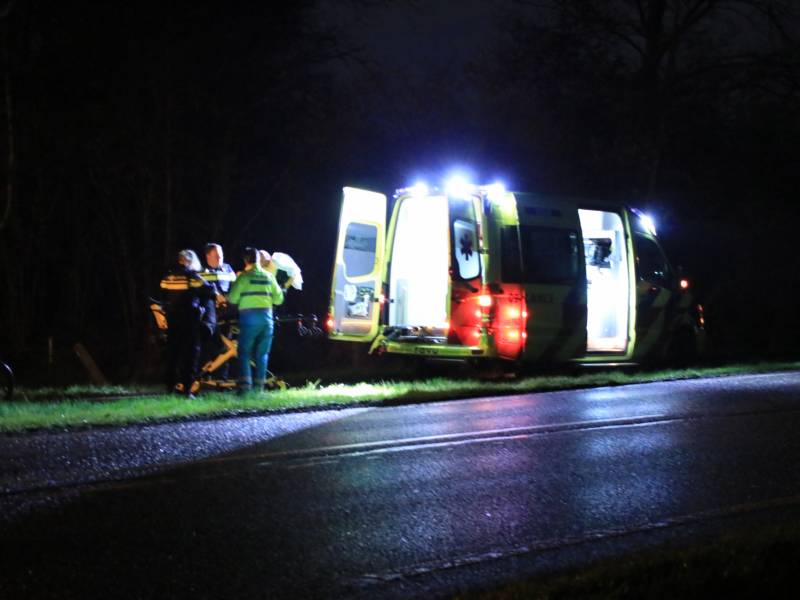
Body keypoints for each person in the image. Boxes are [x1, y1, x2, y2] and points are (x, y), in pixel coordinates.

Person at [228, 247, 288, 394]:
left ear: (246, 260)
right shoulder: (269, 277)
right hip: (267, 320)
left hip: (249, 319)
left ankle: (245, 388)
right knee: (262, 354)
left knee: (244, 353)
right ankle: (259, 389)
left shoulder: (243, 277)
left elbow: (232, 298)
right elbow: (279, 300)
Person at [160, 249, 215, 397]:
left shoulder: (168, 277)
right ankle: (186, 390)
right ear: (190, 262)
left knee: (172, 355)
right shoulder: (193, 277)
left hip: (172, 321)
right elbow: (209, 289)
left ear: (179, 260)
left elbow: (163, 295)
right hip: (190, 321)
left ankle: (169, 389)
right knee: (190, 356)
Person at [199, 243, 237, 380]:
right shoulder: (201, 271)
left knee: (227, 347)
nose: (220, 257)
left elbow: (235, 286)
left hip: (227, 314)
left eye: (221, 255)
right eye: (216, 255)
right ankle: (206, 377)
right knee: (210, 346)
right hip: (210, 316)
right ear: (208, 256)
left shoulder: (227, 268)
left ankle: (222, 379)